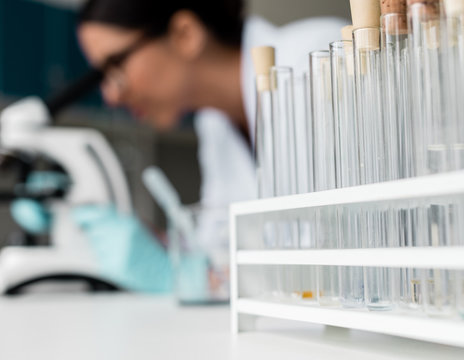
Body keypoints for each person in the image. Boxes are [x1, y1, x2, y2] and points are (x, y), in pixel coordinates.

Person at [67, 0, 346, 292]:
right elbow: (217, 247)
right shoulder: (213, 122)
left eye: (115, 66)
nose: (111, 96)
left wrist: (197, 280)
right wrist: (159, 248)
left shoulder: (318, 59)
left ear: (185, 34)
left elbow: (338, 257)